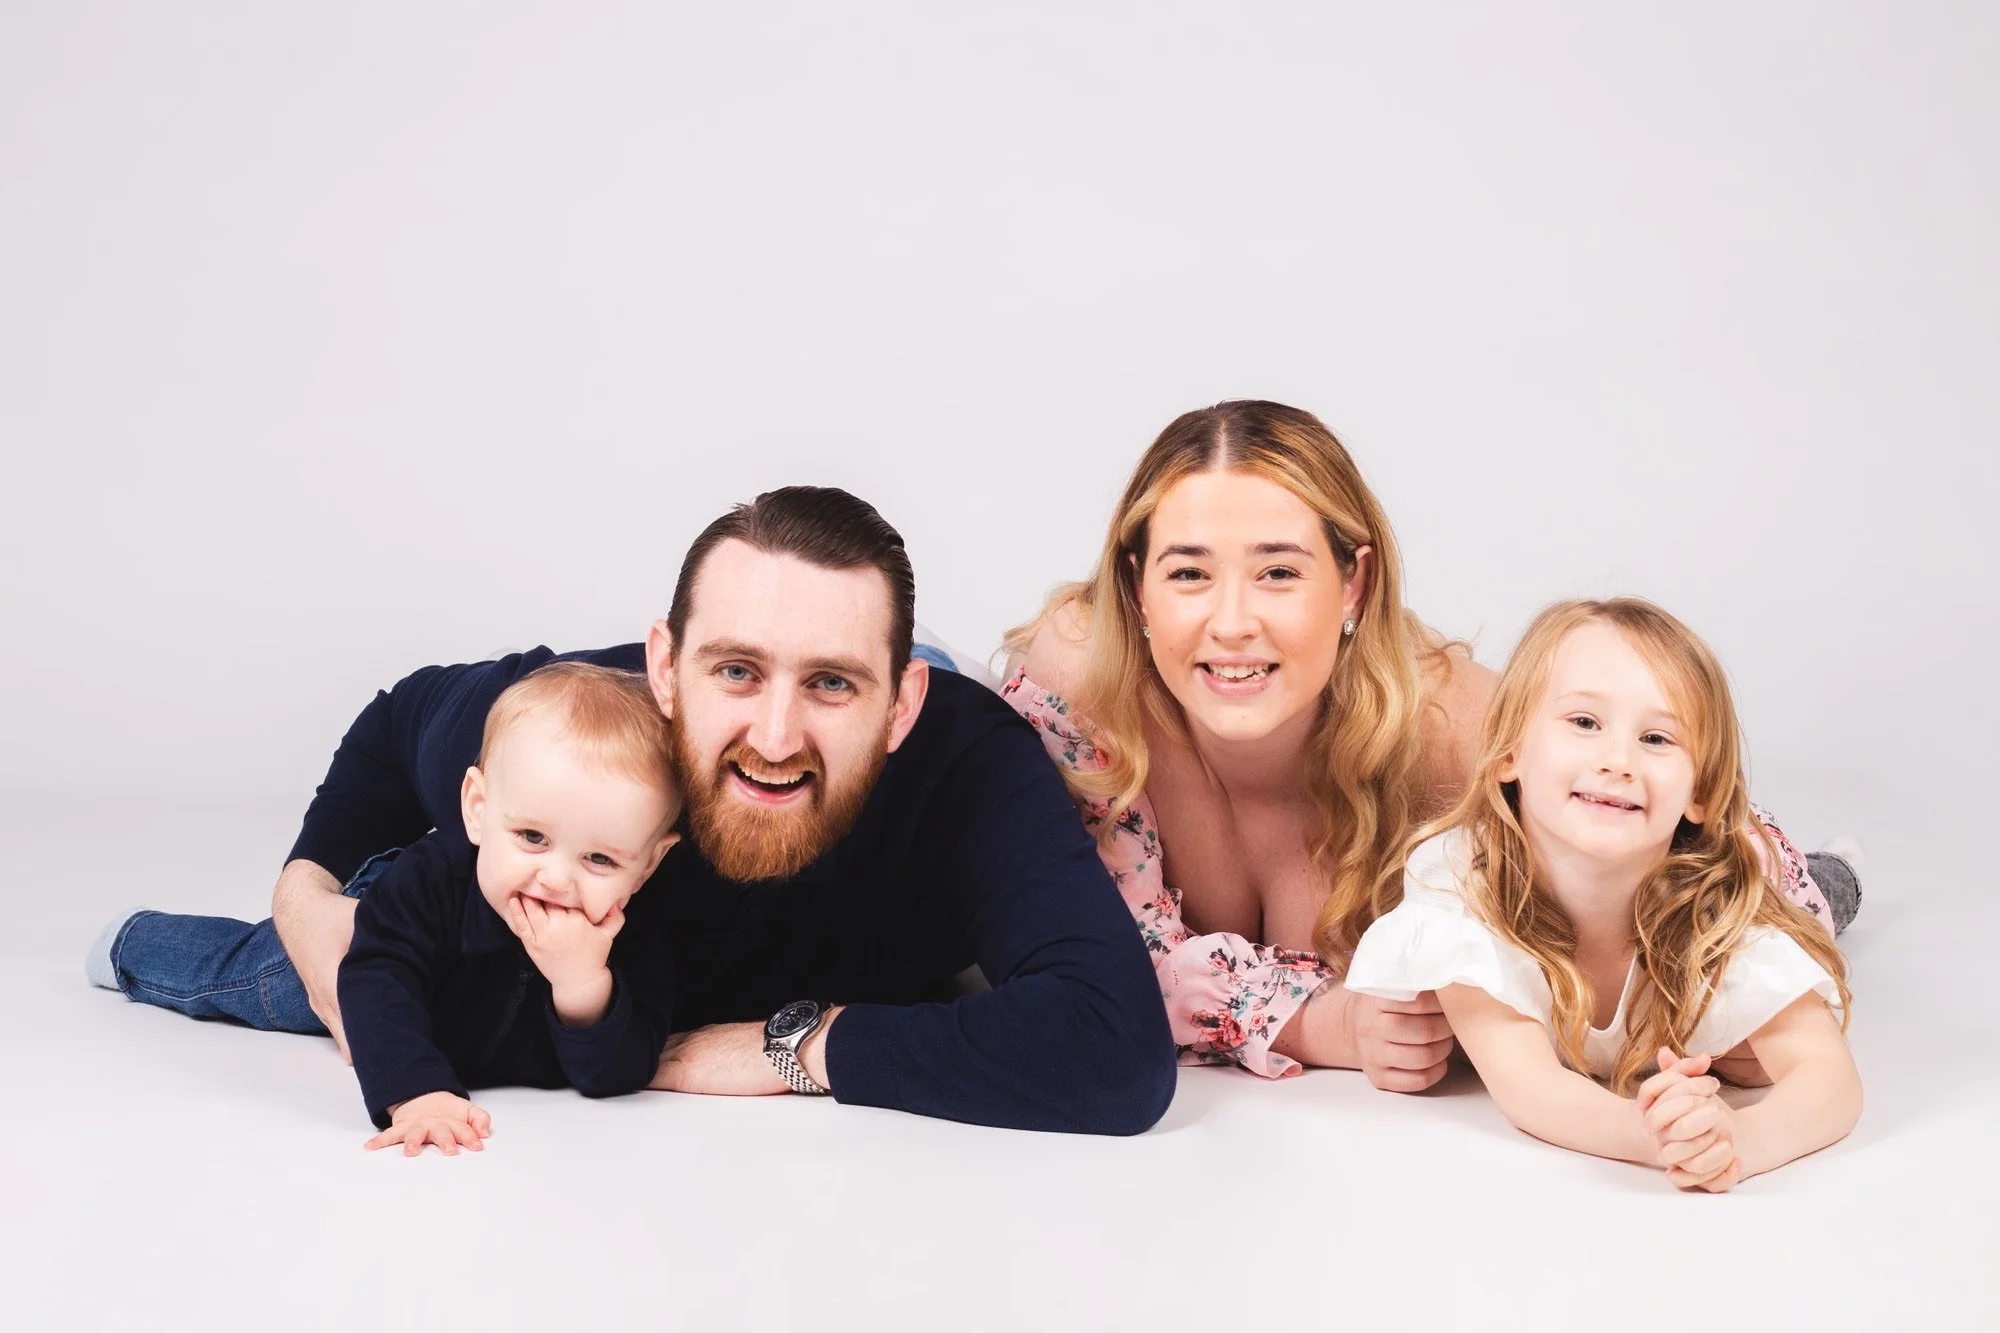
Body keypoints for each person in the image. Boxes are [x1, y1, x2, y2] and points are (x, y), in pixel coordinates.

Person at [94, 486, 1175, 1136]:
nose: (775, 734)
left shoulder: (970, 768)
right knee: (313, 984)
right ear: (664, 667)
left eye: (833, 683)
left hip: (671, 997)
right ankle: (136, 944)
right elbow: (396, 721)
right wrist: (305, 893)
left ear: (901, 704)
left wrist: (789, 1048)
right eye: (735, 670)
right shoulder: (581, 737)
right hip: (498, 928)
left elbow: (1115, 1051)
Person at [1004, 400, 1853, 1091]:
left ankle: (1845, 873)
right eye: (1189, 572)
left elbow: (1728, 844)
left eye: (1279, 572)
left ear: (1355, 584)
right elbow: (1075, 956)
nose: (1232, 623)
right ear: (1135, 588)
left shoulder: (1455, 725)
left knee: (1788, 894)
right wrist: (1323, 1021)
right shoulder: (1081, 682)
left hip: (1643, 885)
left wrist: (1730, 1003)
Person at [1343, 599, 1860, 1190]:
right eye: (1585, 722)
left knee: (1822, 898)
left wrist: (1737, 1141)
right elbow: (1528, 1084)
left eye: (1657, 738)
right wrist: (1657, 1134)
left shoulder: (1726, 904)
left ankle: (1842, 867)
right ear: (1510, 750)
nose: (1617, 761)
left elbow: (1829, 1078)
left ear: (1700, 790)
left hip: (1759, 862)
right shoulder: (1459, 881)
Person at [89, 662, 686, 1153]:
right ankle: (131, 941)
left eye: (599, 860)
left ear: (649, 862)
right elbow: (378, 979)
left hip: (468, 1012)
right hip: (367, 931)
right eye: (532, 837)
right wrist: (417, 1093)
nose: (555, 878)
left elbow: (619, 1072)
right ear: (477, 809)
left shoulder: (634, 927)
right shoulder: (434, 879)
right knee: (253, 976)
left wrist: (583, 986)